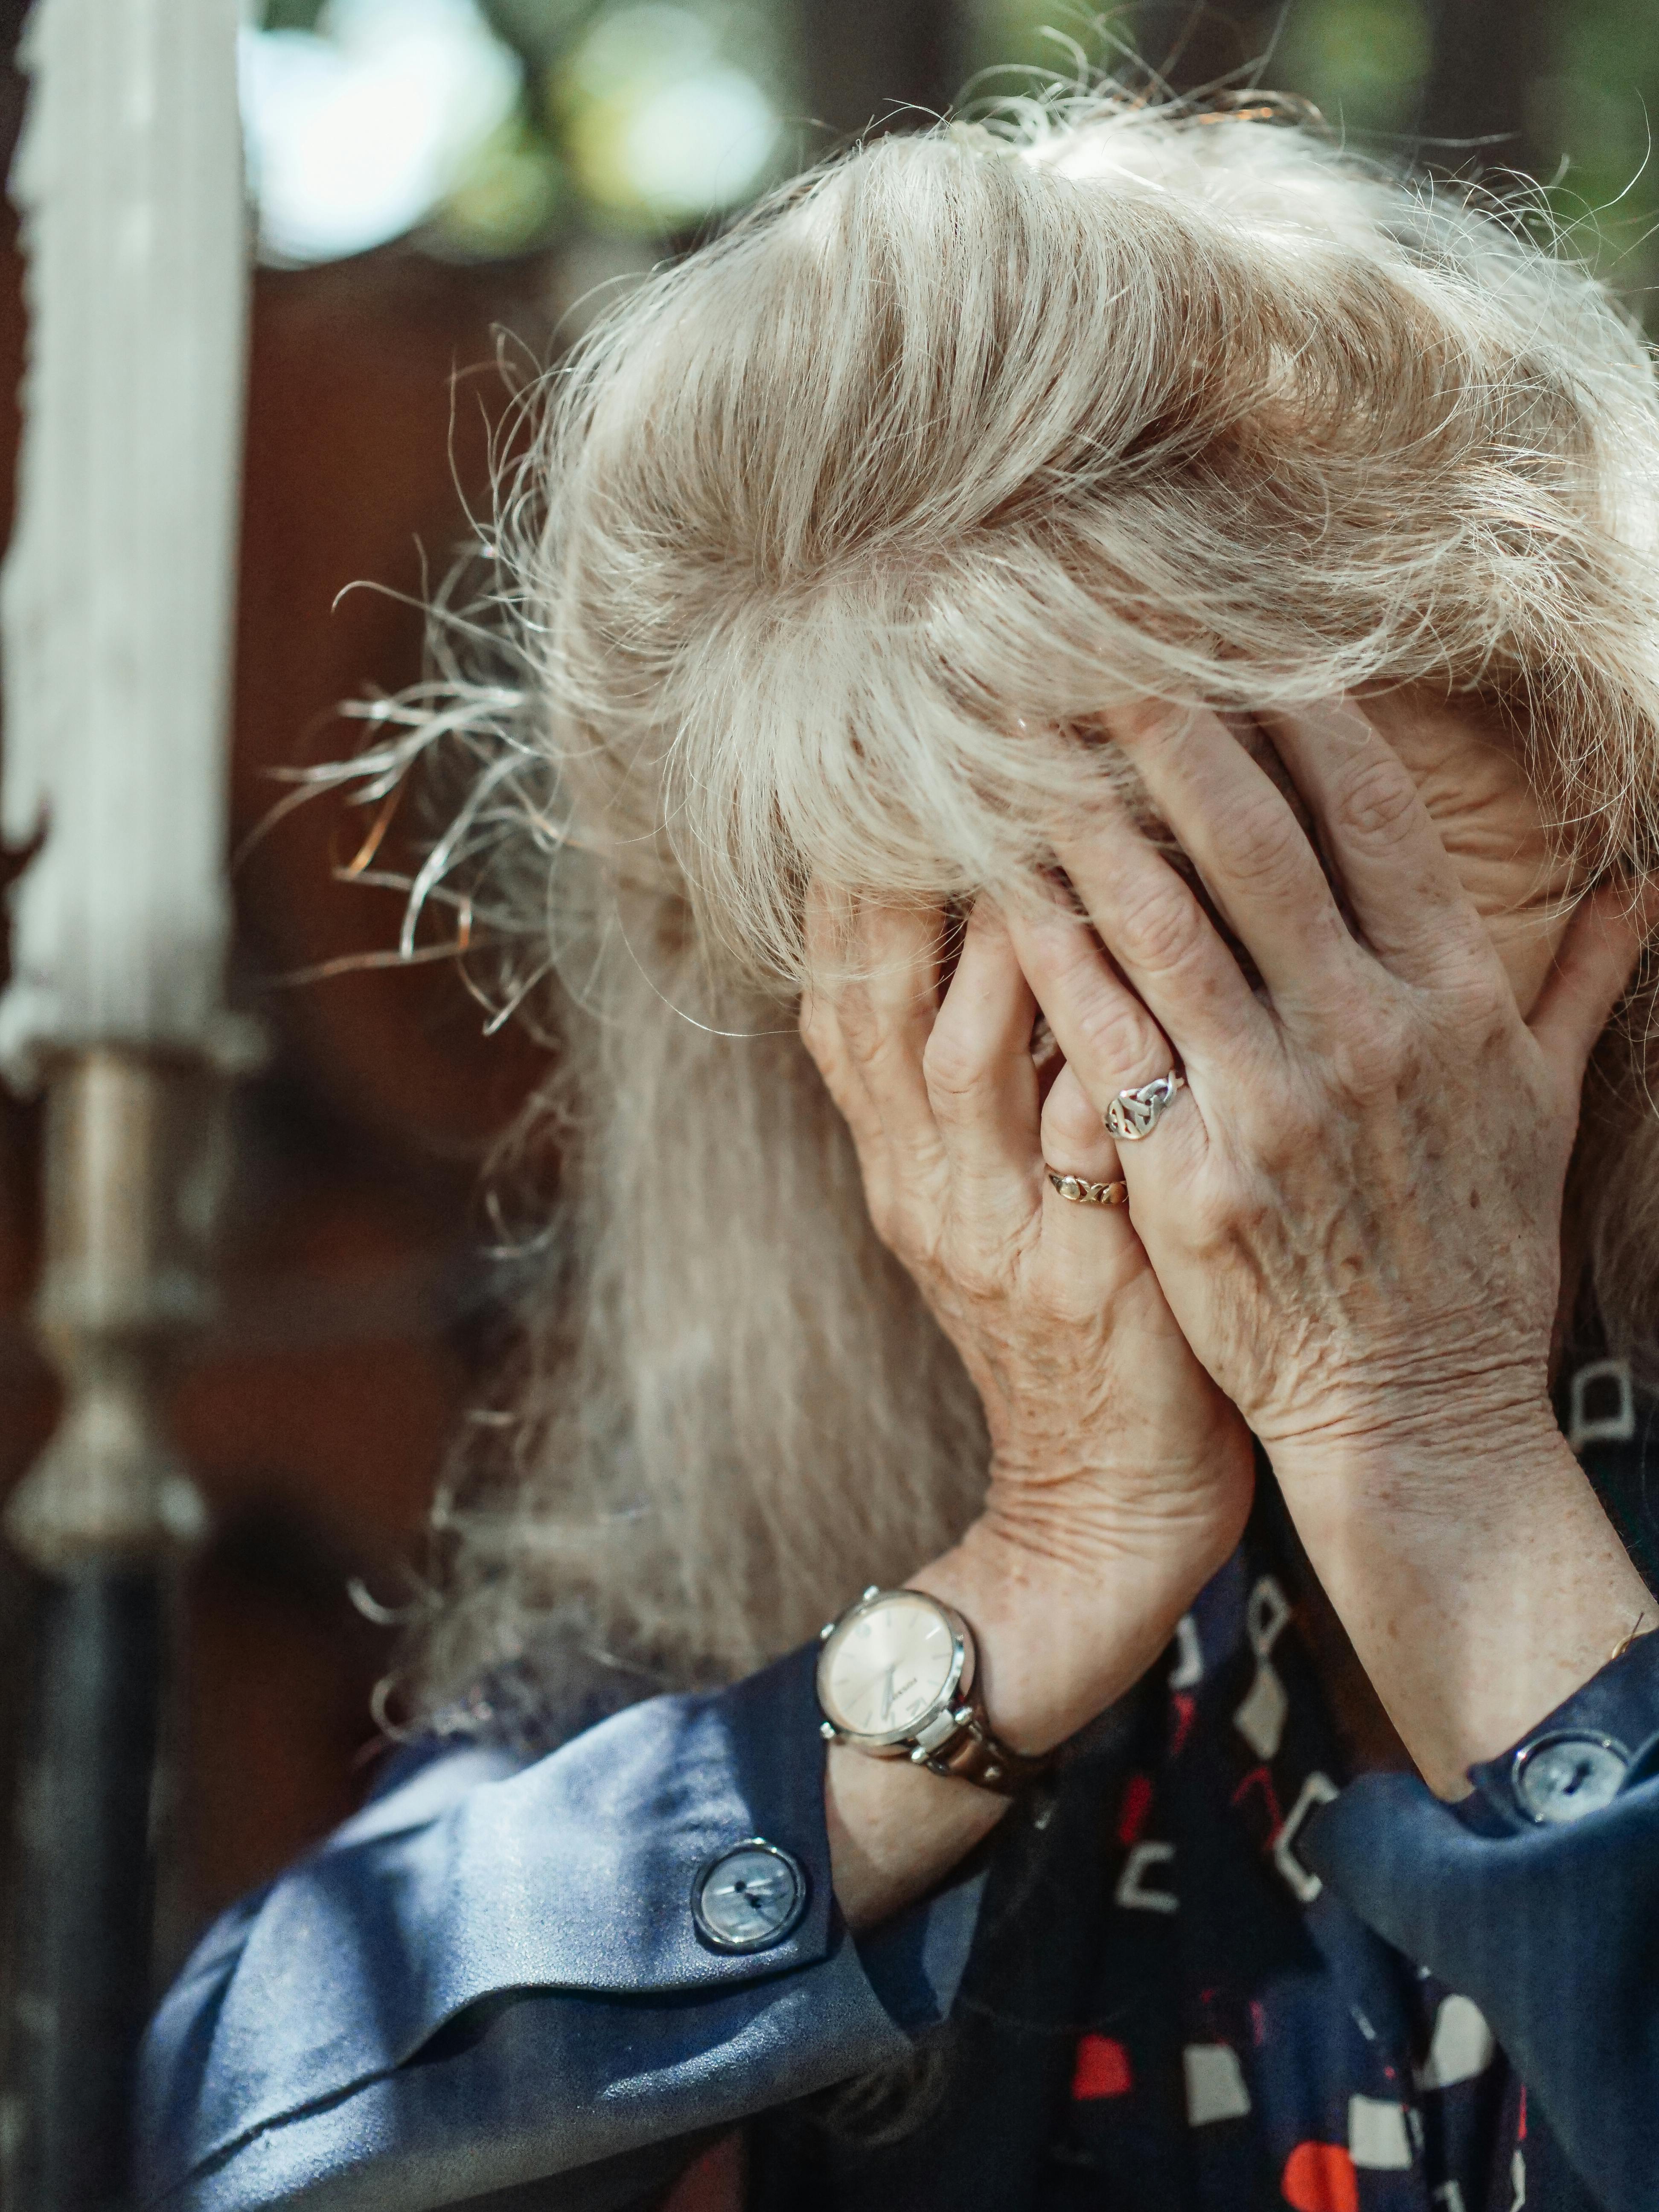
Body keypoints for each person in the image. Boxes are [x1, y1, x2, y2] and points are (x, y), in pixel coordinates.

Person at [140, 89, 1659, 2212]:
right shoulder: (875, 1435)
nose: (1228, 1110)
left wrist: (1444, 1470)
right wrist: (1036, 1574)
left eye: (1286, 916)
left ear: (1601, 794)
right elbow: (237, 2124)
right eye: (1022, 977)